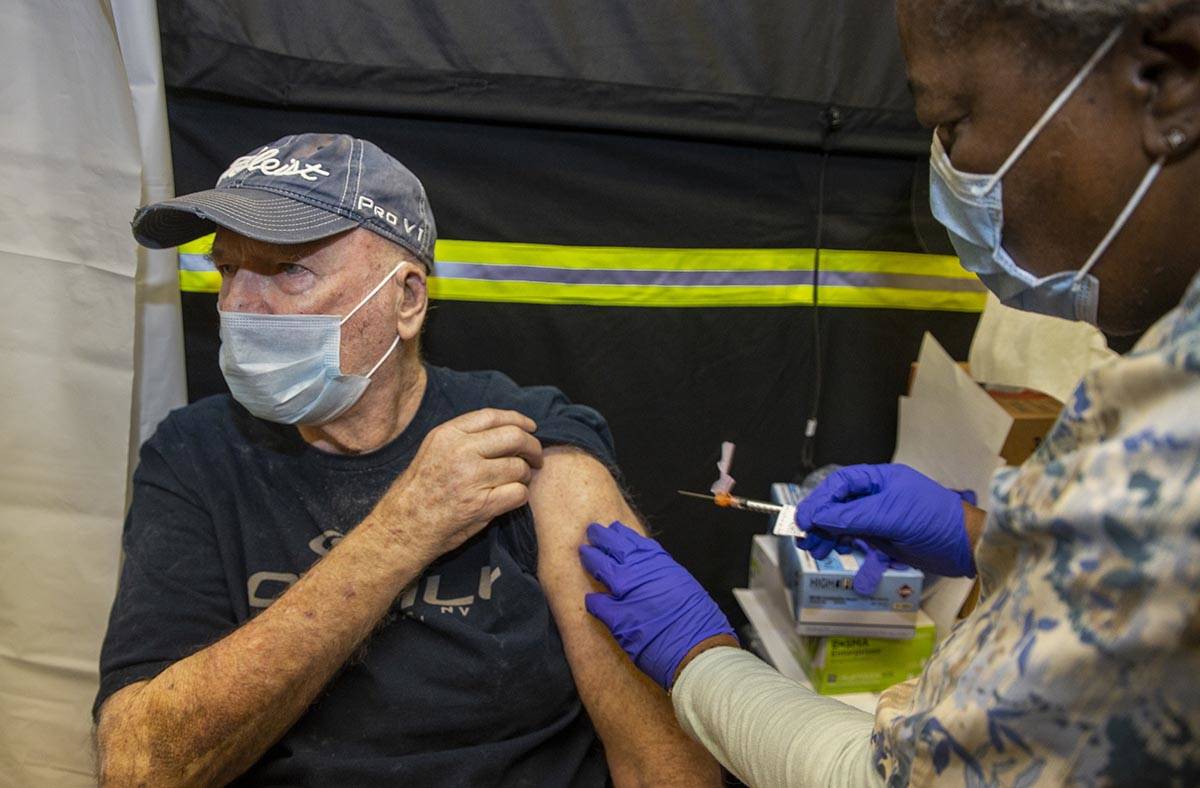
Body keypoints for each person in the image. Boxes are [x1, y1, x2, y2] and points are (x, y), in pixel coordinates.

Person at [580, 2, 1200, 785]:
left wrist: (698, 660)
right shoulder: (1166, 371)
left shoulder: (1178, 444)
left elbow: (896, 778)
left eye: (953, 122)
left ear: (1165, 79)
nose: (948, 181)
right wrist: (983, 536)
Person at [93, 133, 720, 786]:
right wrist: (403, 529)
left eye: (288, 270)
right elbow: (140, 769)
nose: (239, 307)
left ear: (408, 300)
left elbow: (662, 764)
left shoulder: (526, 442)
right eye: (227, 269)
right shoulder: (194, 457)